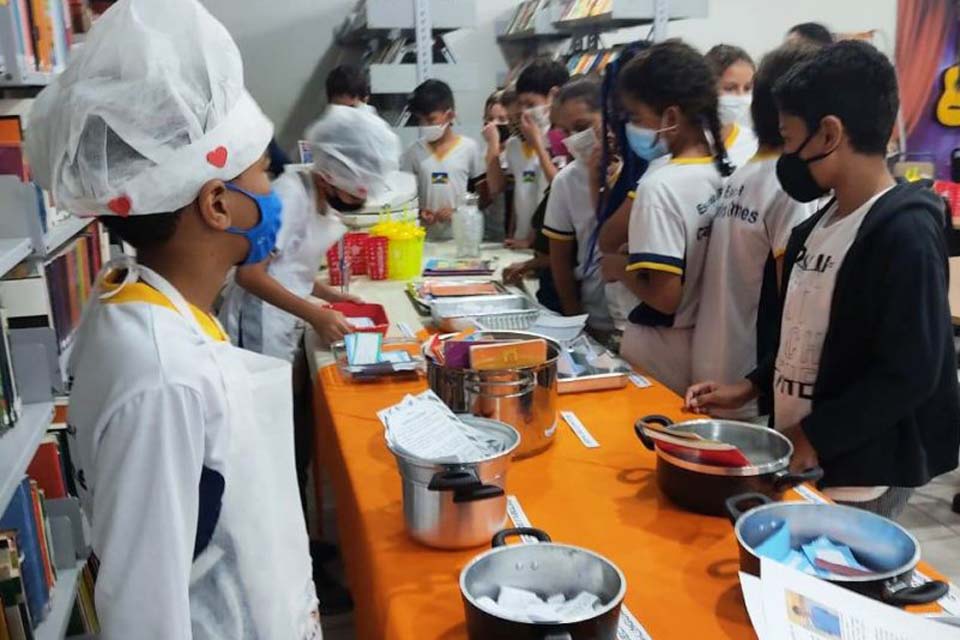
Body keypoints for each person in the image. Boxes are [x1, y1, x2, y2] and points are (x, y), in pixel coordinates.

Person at [26, 0, 322, 636]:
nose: (274, 195)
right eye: (263, 176)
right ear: (217, 203)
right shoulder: (165, 374)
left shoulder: (145, 306)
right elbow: (144, 612)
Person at [686, 41, 960, 518]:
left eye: (790, 139)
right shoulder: (815, 228)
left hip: (862, 474)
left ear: (830, 134)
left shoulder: (904, 233)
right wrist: (752, 386)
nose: (785, 154)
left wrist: (812, 438)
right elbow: (805, 336)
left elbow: (910, 371)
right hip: (810, 457)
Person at [691, 43, 822, 421]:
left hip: (720, 362)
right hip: (750, 381)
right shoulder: (790, 188)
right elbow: (795, 303)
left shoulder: (746, 173)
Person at [602, 40, 733, 396]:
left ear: (671, 118)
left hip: (662, 351)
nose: (631, 128)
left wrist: (619, 268)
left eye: (635, 117)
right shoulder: (722, 172)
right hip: (709, 346)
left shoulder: (660, 185)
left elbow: (664, 297)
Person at [542, 77, 614, 335]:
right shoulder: (567, 180)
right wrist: (575, 318)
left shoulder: (638, 169)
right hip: (594, 315)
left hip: (641, 320)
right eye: (565, 132)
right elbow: (559, 259)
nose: (575, 138)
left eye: (582, 126)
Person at [484, 58, 569, 247]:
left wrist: (538, 145)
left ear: (553, 96)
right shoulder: (516, 145)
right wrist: (493, 145)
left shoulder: (564, 139)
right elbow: (498, 188)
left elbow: (561, 189)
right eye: (521, 106)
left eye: (531, 105)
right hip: (522, 243)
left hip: (551, 245)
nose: (524, 113)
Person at [401, 79, 486, 241]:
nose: (425, 125)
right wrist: (419, 212)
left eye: (431, 119)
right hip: (425, 238)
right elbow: (405, 198)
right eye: (421, 120)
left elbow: (485, 197)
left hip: (461, 237)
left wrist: (459, 211)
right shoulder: (414, 152)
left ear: (450, 115)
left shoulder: (469, 148)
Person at [705, 44, 759, 167]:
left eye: (747, 88)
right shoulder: (694, 142)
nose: (741, 96)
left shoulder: (756, 143)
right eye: (730, 88)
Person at [481, 90, 511, 242]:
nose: (494, 125)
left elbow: (496, 187)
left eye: (502, 119)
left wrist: (494, 142)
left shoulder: (513, 150)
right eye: (490, 119)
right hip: (490, 228)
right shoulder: (485, 150)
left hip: (509, 230)